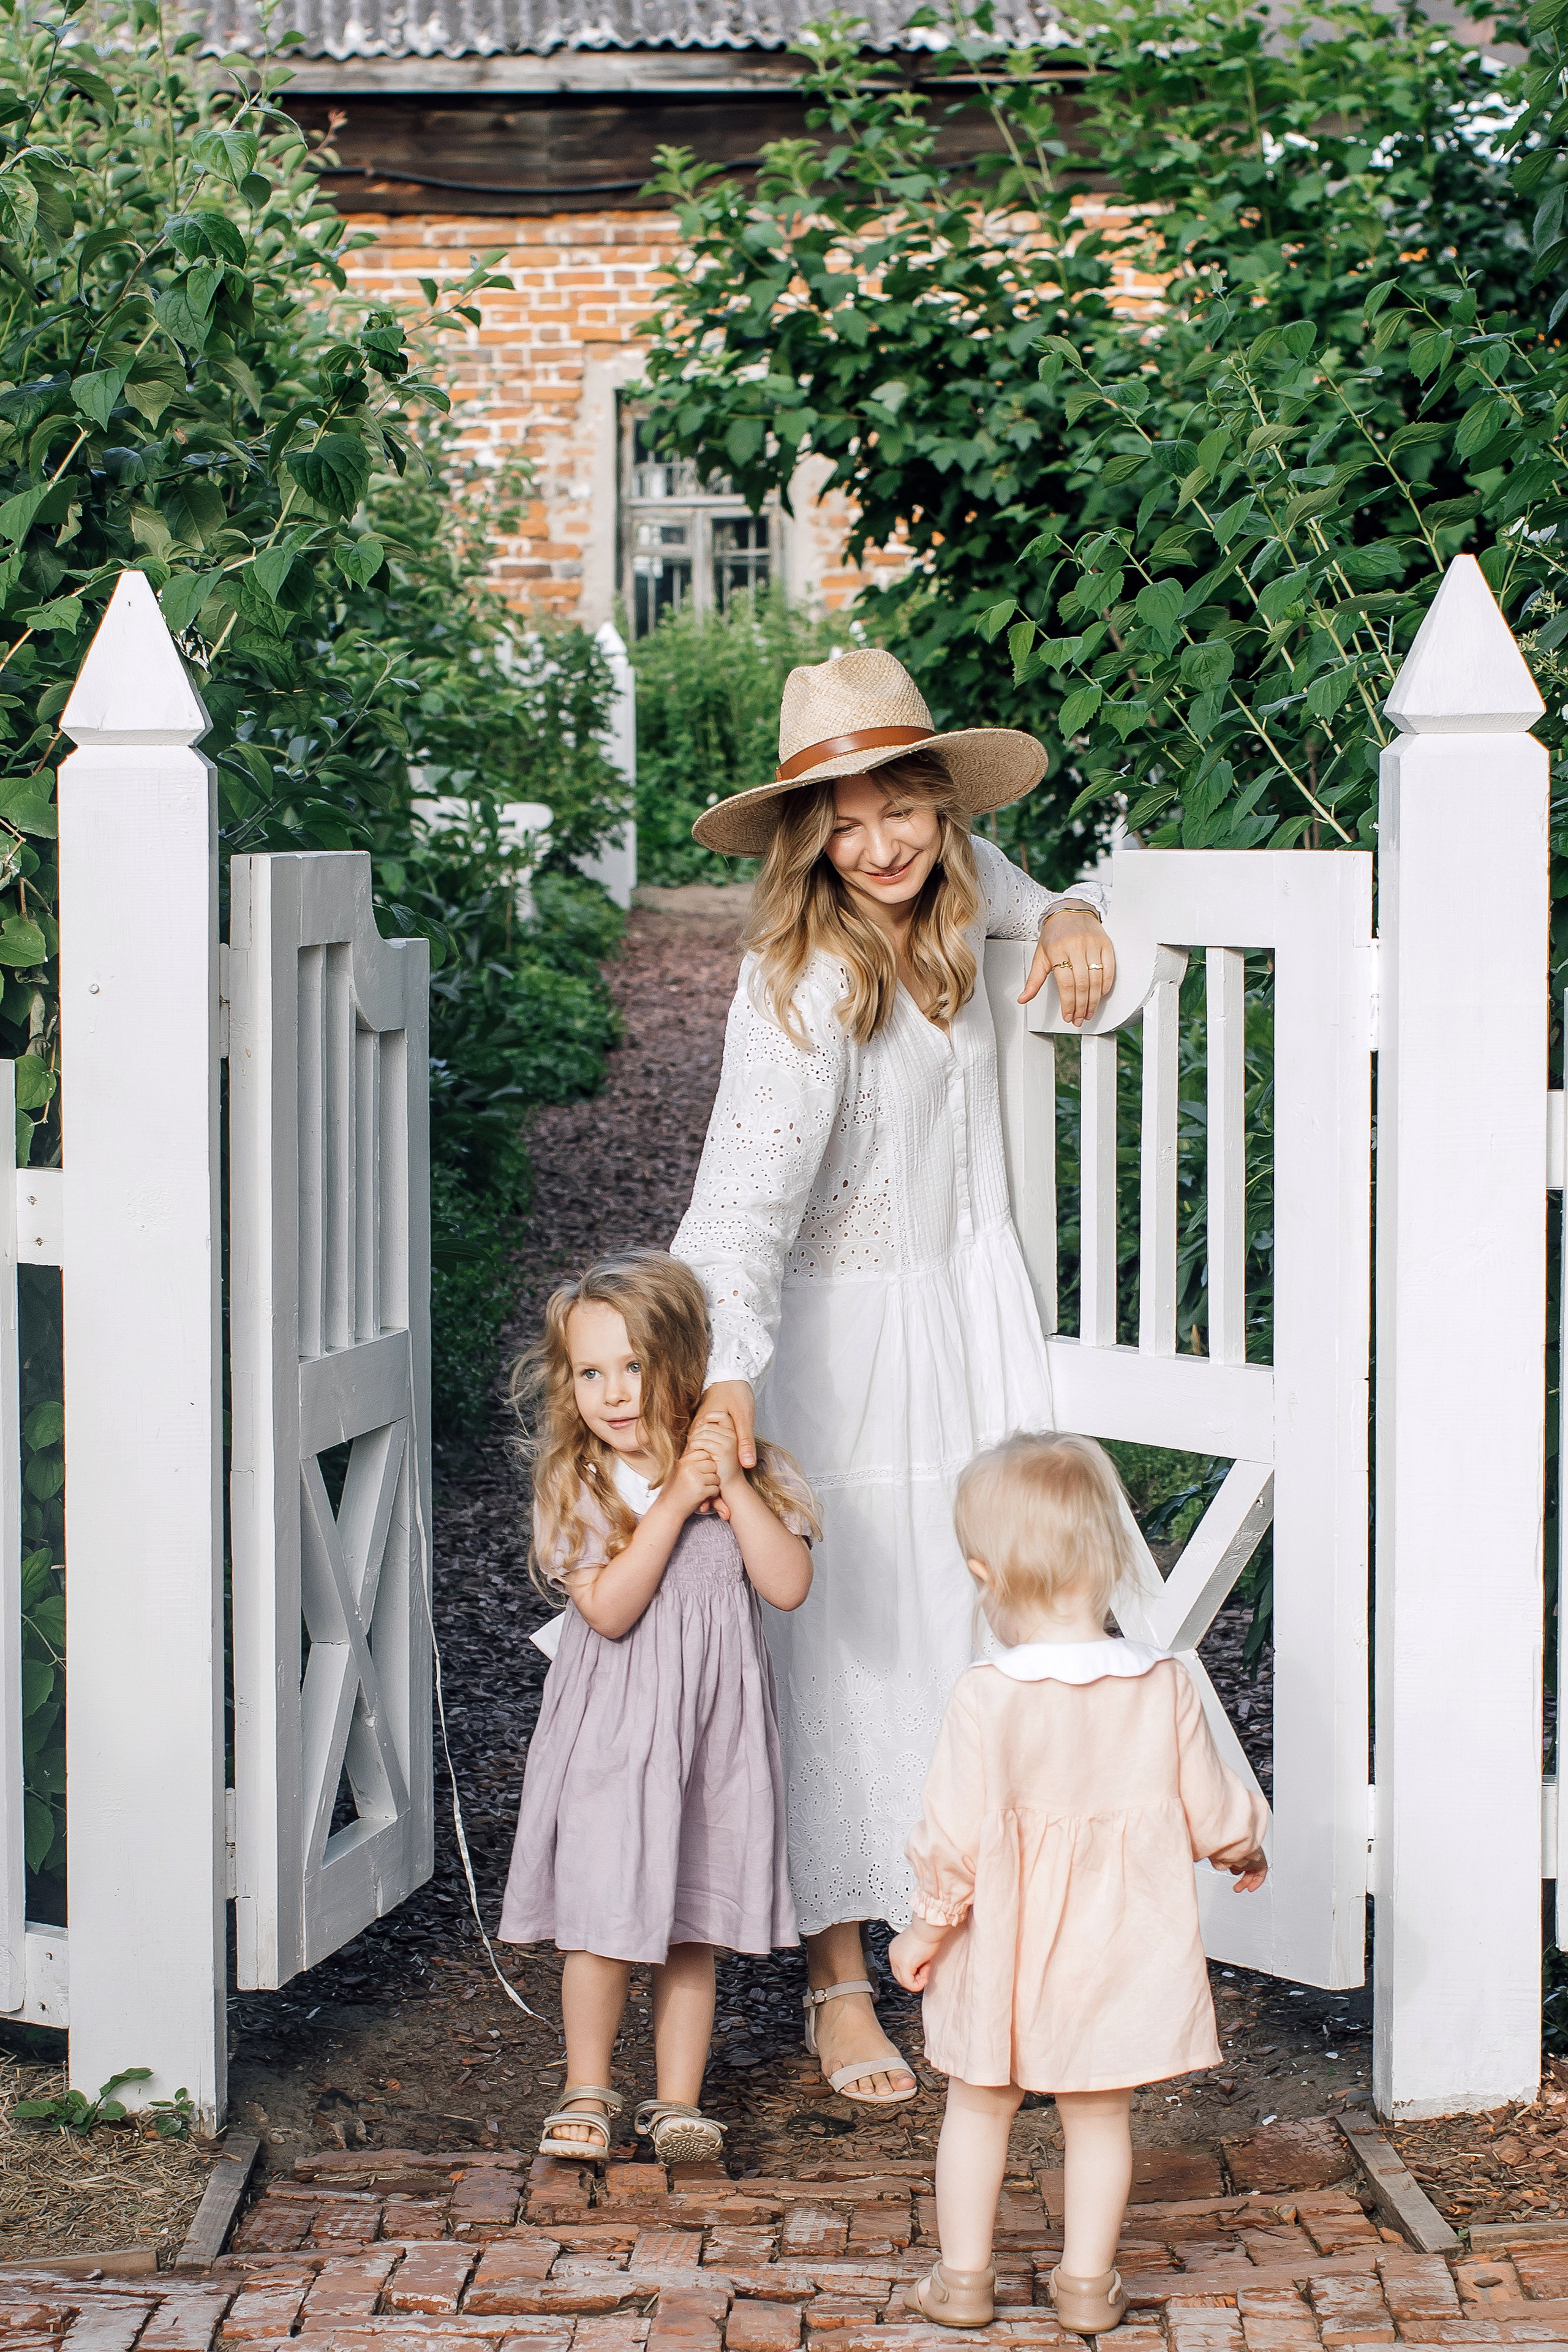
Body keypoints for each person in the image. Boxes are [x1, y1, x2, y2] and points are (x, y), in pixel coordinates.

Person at [671, 647, 1117, 2105]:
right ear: (806, 835)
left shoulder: (960, 882)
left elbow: (1036, 881)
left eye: (900, 811)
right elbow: (736, 1203)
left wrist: (1070, 908)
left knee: (970, 1631)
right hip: (843, 1345)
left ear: (938, 806)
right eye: (843, 823)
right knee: (846, 1648)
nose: (878, 846)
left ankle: (971, 1936)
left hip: (966, 1318)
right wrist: (726, 1371)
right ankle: (836, 1977)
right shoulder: (798, 984)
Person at [889, 1433, 1270, 2336]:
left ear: (984, 1570)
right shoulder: (1162, 1683)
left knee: (980, 2106)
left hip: (1006, 1950)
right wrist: (1240, 1851)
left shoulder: (988, 1694)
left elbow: (951, 1837)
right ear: (1107, 1555)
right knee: (1101, 2116)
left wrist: (927, 1927)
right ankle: (1087, 2287)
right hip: (1120, 1947)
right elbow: (1215, 1803)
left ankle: (965, 2279)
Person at [497, 1249, 818, 2166]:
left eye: (634, 1366)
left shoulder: (744, 1470)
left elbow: (787, 1584)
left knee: (690, 1924)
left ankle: (677, 2102)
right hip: (613, 1738)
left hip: (709, 1741)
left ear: (685, 1364)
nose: (613, 1392)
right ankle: (589, 2084)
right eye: (591, 1372)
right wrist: (676, 1503)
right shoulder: (583, 1483)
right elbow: (609, 1607)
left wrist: (732, 1488)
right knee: (601, 1920)